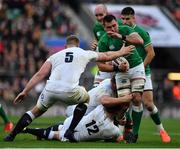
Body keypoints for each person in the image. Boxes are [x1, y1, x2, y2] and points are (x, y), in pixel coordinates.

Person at [4, 35, 134, 142]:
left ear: (65, 46)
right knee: (86, 98)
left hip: (50, 89)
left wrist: (25, 91)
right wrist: (121, 52)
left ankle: (12, 135)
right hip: (70, 91)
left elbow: (40, 74)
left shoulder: (54, 56)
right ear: (77, 46)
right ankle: (70, 132)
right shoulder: (83, 53)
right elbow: (106, 56)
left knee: (33, 112)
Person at [21, 77, 133, 142]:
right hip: (78, 111)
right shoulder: (105, 101)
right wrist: (124, 106)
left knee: (61, 128)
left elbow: (108, 105)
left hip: (84, 115)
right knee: (61, 134)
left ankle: (32, 131)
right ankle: (29, 130)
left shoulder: (100, 108)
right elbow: (106, 102)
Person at [121, 6, 171, 143]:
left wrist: (140, 69)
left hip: (142, 71)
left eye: (127, 18)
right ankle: (130, 133)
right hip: (124, 72)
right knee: (126, 102)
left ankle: (161, 129)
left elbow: (151, 53)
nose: (124, 21)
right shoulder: (120, 31)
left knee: (148, 104)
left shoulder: (141, 32)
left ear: (133, 18)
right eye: (122, 19)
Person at [97, 14, 146, 143]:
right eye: (109, 27)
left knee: (137, 98)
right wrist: (117, 69)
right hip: (121, 72)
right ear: (104, 27)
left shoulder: (125, 30)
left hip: (136, 67)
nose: (112, 29)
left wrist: (122, 37)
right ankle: (123, 122)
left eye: (114, 25)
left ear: (116, 23)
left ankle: (134, 134)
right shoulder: (103, 41)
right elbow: (100, 66)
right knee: (123, 103)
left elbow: (140, 41)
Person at [92, 4, 123, 87]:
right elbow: (97, 41)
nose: (98, 18)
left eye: (101, 15)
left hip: (122, 61)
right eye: (96, 15)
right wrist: (95, 46)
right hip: (106, 63)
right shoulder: (96, 27)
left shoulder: (121, 24)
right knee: (96, 88)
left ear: (107, 13)